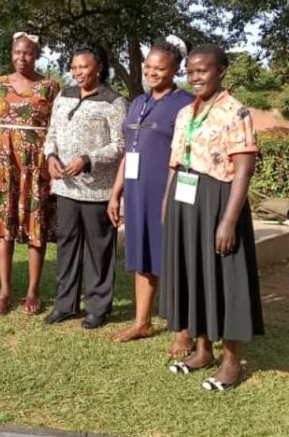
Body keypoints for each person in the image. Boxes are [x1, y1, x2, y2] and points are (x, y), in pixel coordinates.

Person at [160, 44, 264, 391]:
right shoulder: (185, 113)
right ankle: (202, 350)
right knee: (193, 274)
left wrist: (229, 221)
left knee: (226, 278)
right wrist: (166, 205)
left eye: (203, 70)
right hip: (185, 200)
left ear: (222, 71)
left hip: (218, 199)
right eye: (190, 72)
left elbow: (244, 169)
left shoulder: (236, 112)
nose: (196, 77)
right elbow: (176, 164)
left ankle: (232, 361)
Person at [107, 38, 195, 350]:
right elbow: (129, 151)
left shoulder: (185, 103)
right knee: (142, 256)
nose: (153, 72)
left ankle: (183, 330)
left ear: (175, 69)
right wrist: (116, 193)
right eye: (148, 67)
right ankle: (142, 322)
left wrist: (176, 197)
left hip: (166, 191)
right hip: (136, 191)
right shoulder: (137, 103)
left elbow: (189, 154)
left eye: (160, 68)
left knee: (172, 259)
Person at [43, 44, 126, 330]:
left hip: (97, 191)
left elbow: (120, 145)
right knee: (66, 246)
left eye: (84, 67)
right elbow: (51, 132)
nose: (78, 72)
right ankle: (65, 305)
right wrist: (50, 156)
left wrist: (89, 159)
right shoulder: (63, 96)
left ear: (99, 67)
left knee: (98, 250)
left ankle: (98, 307)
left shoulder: (113, 101)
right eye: (74, 67)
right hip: (65, 187)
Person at [0, 32, 59, 316]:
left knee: (34, 225)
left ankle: (32, 292)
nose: (21, 57)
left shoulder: (50, 87)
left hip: (35, 164)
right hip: (3, 164)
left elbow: (57, 127)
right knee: (4, 226)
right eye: (17, 52)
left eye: (27, 52)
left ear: (36, 54)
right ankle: (4, 291)